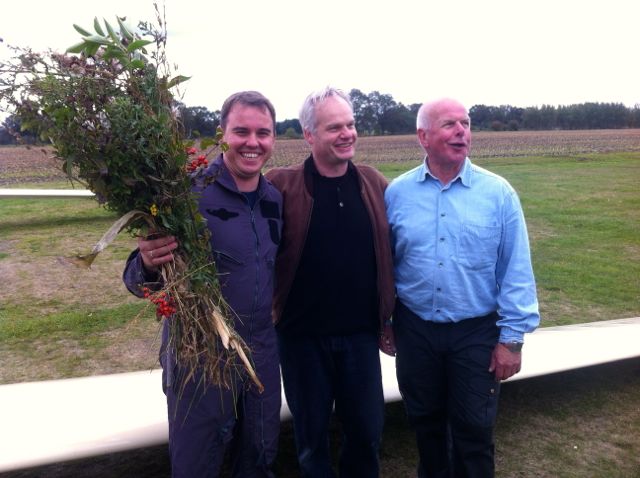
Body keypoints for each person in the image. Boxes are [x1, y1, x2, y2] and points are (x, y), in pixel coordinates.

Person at [122, 91, 283, 478]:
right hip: (199, 354)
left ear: (273, 139)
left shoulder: (274, 199)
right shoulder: (185, 196)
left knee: (258, 455)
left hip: (260, 348)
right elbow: (137, 280)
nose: (252, 142)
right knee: (198, 462)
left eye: (263, 133)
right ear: (222, 134)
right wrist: (146, 261)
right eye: (241, 131)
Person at [384, 98, 540, 478]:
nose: (461, 131)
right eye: (449, 124)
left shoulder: (498, 194)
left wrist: (512, 339)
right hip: (415, 330)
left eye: (466, 123)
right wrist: (385, 319)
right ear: (423, 136)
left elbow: (517, 269)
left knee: (474, 431)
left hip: (475, 333)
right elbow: (386, 265)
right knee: (425, 426)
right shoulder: (397, 194)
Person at [265, 87, 395, 477]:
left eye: (351, 125)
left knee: (367, 433)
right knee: (311, 439)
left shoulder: (375, 184)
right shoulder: (280, 186)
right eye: (334, 127)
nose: (347, 134)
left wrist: (391, 317)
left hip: (359, 337)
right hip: (301, 338)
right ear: (309, 135)